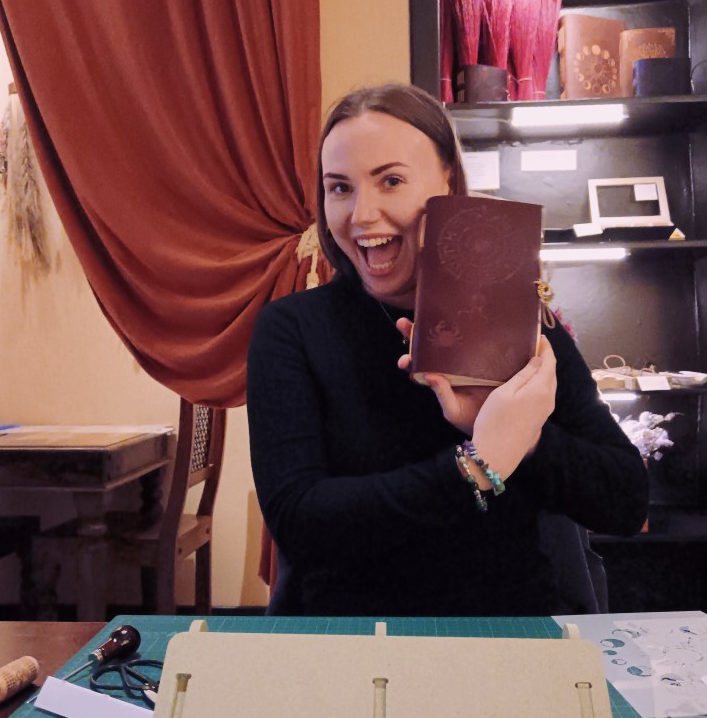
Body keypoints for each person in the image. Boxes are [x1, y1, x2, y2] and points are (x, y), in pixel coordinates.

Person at [247, 82, 648, 616]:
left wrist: (525, 439)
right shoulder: (291, 330)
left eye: (391, 181)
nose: (361, 214)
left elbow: (626, 501)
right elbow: (299, 524)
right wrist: (478, 466)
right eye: (339, 188)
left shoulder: (519, 322)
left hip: (508, 633)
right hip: (347, 637)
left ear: (449, 184)